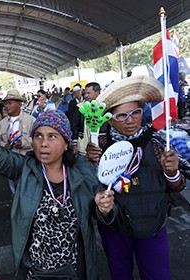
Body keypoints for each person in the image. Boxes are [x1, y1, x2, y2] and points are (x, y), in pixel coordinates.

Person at [0, 79, 103, 279]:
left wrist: (105, 210)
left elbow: (104, 215)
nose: (43, 143)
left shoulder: (82, 172)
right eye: (38, 136)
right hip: (36, 271)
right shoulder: (24, 168)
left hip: (74, 270)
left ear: (66, 143)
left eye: (52, 137)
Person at [87, 76, 186, 280]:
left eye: (136, 113)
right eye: (122, 116)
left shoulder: (160, 142)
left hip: (153, 227)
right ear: (110, 118)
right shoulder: (99, 147)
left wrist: (172, 172)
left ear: (143, 112)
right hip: (115, 228)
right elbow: (89, 189)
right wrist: (89, 162)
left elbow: (177, 187)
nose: (130, 120)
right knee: (120, 275)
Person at [0, 90, 36, 194]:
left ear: (19, 104)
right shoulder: (2, 123)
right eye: (5, 104)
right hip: (10, 162)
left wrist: (23, 143)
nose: (6, 106)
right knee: (13, 187)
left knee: (28, 186)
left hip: (26, 160)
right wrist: (5, 145)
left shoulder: (31, 120)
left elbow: (37, 140)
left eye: (10, 103)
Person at [66, 85, 84, 156]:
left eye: (78, 92)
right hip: (76, 124)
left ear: (81, 91)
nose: (77, 94)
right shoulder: (72, 103)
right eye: (75, 93)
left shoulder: (86, 100)